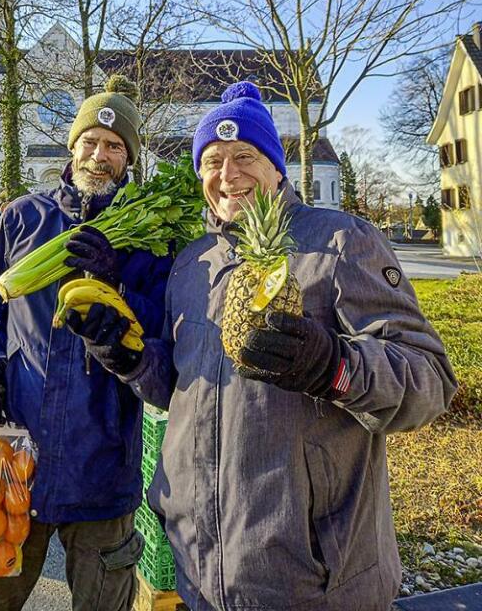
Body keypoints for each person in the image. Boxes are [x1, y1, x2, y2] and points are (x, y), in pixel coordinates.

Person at [69, 81, 457, 611]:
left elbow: (428, 381)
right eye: (212, 160)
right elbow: (184, 390)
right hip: (201, 568)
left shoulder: (340, 242)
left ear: (276, 166)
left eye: (245, 156)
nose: (228, 175)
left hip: (313, 577)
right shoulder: (193, 262)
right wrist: (131, 359)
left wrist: (333, 366)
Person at [0, 83, 172, 611]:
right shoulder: (22, 219)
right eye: (91, 141)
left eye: (115, 146)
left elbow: (165, 329)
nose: (100, 155)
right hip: (14, 458)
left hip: (102, 466)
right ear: (72, 145)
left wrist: (118, 283)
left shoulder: (151, 239)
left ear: (129, 160)